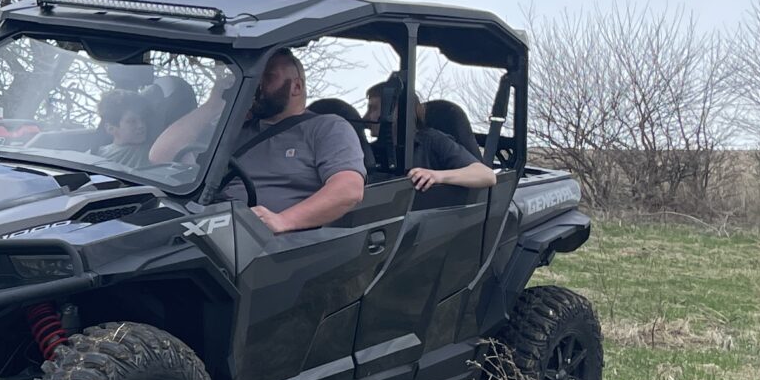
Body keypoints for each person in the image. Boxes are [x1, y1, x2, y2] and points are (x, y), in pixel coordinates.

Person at [155, 48, 364, 233]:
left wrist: (282, 221)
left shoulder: (327, 127)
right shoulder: (235, 129)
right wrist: (215, 104)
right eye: (254, 79)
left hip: (272, 247)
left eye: (268, 77)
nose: (258, 86)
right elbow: (160, 155)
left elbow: (348, 189)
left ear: (296, 87)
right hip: (210, 228)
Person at [365, 76, 497, 191]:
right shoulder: (369, 151)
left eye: (373, 108)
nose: (366, 117)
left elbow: (486, 175)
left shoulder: (431, 141)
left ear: (396, 110)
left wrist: (437, 176)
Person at [92, 88, 156, 172]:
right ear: (111, 128)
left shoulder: (153, 151)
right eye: (132, 121)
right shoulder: (95, 155)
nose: (141, 125)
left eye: (143, 119)